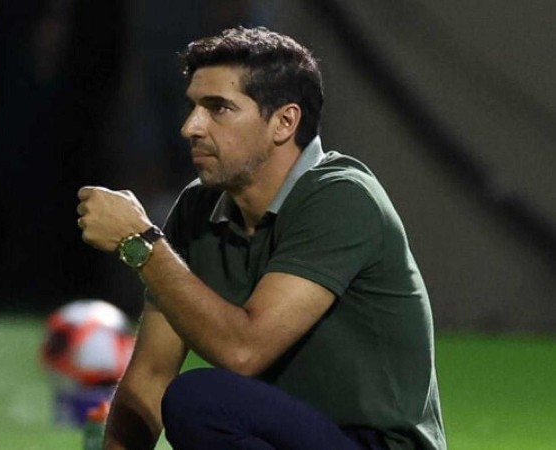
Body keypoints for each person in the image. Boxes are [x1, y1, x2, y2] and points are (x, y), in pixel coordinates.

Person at [76, 26, 446, 450]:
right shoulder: (197, 208)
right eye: (193, 106)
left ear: (285, 122)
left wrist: (140, 243)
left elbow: (244, 352)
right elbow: (150, 378)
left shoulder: (341, 197)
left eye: (218, 109)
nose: (190, 127)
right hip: (292, 438)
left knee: (201, 402)